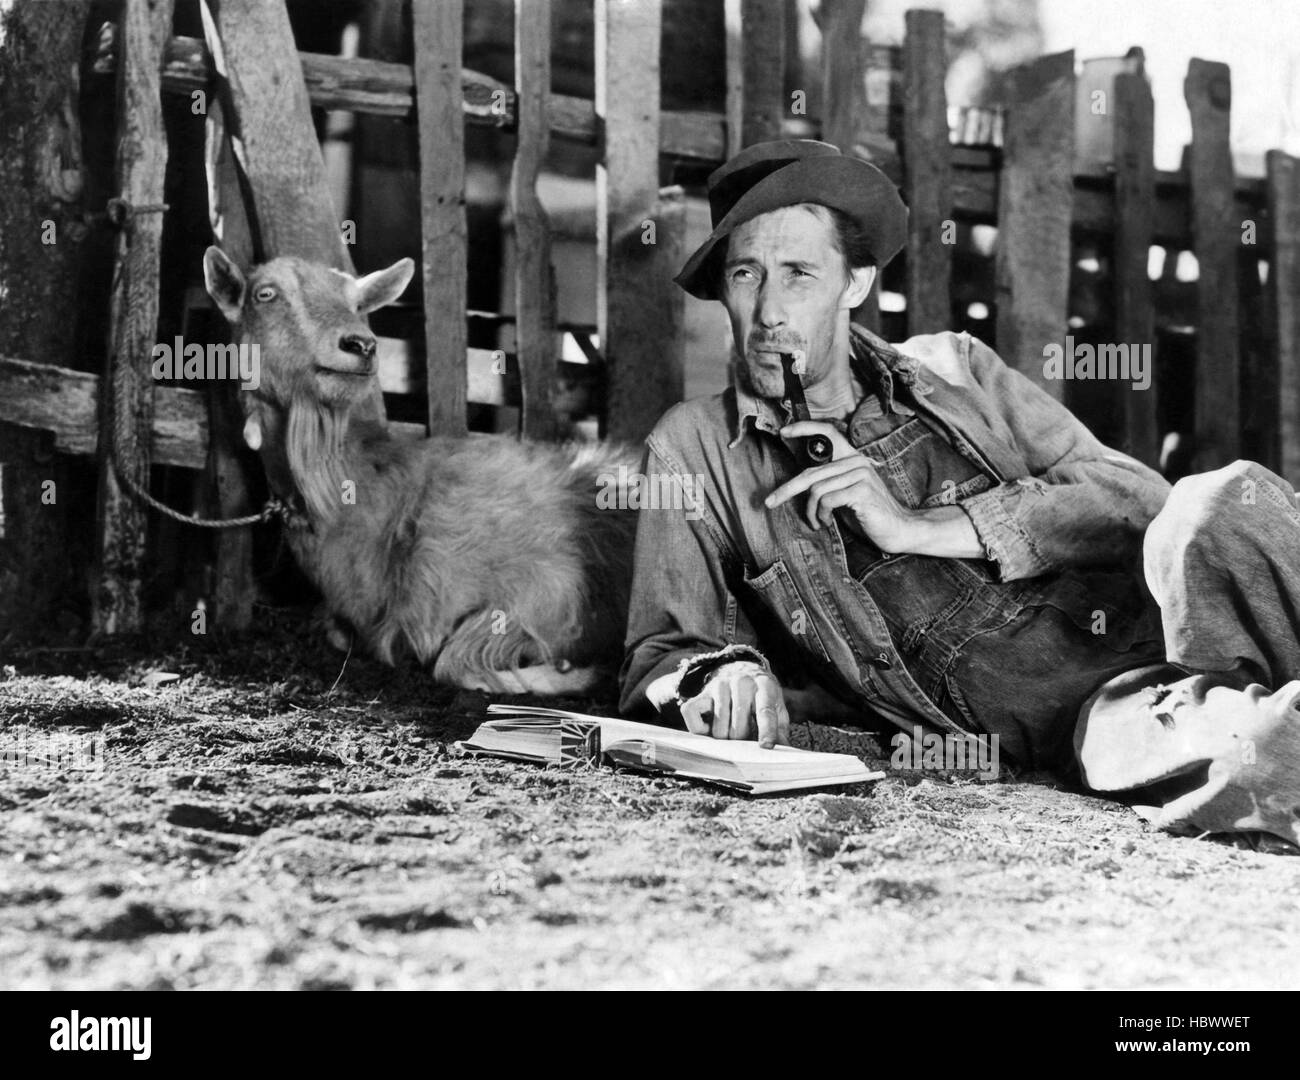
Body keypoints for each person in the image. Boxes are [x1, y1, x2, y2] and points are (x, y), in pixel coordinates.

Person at [618, 138, 1300, 847]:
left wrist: (920, 527)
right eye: (746, 275)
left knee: (1223, 498)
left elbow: (1135, 498)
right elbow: (661, 651)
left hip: (1180, 610)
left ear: (853, 285)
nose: (767, 313)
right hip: (1105, 705)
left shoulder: (955, 368)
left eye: (797, 275)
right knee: (1268, 750)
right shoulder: (696, 448)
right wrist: (717, 676)